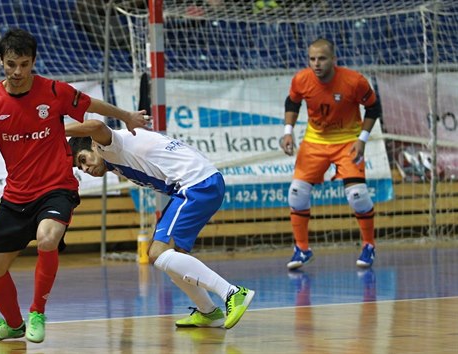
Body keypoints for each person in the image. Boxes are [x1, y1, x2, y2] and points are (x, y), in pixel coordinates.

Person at [0, 28, 150, 343]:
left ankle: (37, 312)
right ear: (1, 62)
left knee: (47, 239)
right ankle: (13, 324)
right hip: (16, 196)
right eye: (11, 64)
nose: (18, 71)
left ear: (33, 62)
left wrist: (127, 116)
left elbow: (94, 107)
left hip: (56, 187)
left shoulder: (53, 91)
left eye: (24, 64)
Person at [66, 119, 255, 329]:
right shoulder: (113, 157)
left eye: (83, 159)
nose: (84, 168)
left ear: (93, 145)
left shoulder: (109, 146)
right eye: (79, 166)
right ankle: (208, 311)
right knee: (175, 256)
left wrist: (53, 129)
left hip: (194, 185)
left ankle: (232, 293)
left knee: (157, 253)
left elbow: (97, 126)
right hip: (203, 182)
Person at [280, 38, 382, 270]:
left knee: (358, 195)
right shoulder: (301, 80)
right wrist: (288, 132)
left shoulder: (354, 81)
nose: (316, 63)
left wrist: (362, 140)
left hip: (348, 142)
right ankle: (302, 249)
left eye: (322, 58)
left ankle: (369, 245)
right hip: (315, 141)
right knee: (296, 193)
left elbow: (374, 108)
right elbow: (292, 102)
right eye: (312, 59)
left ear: (334, 60)